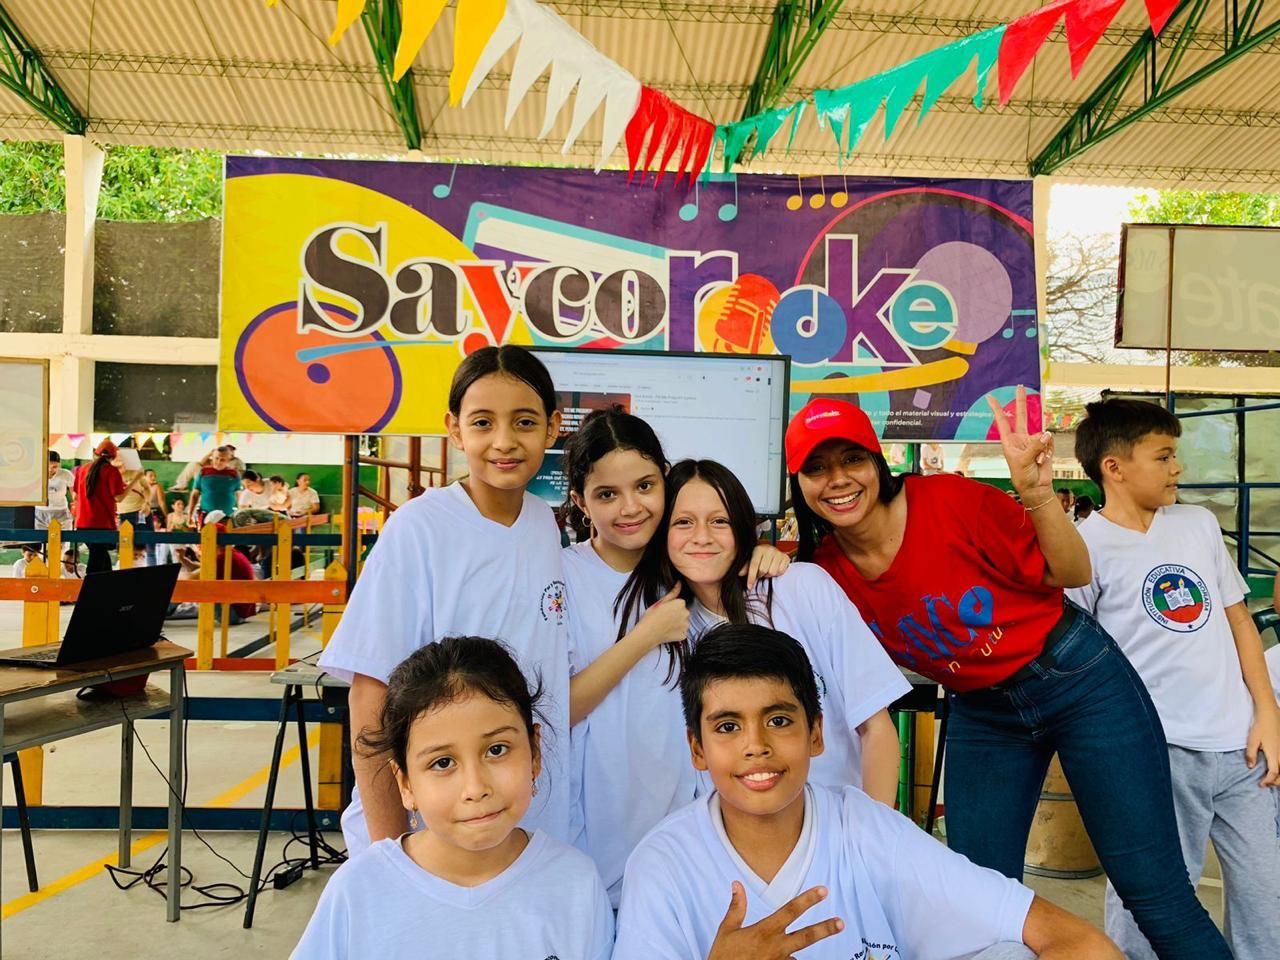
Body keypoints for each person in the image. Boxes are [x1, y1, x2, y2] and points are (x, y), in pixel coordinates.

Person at [785, 391, 1231, 960]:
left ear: (878, 462)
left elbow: (1073, 571)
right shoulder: (823, 573)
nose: (838, 480)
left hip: (1076, 679)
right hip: (984, 712)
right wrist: (761, 557)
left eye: (852, 459)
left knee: (1155, 895)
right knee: (978, 905)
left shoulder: (949, 500)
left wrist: (1038, 496)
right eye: (817, 468)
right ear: (799, 483)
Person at [614, 623, 1119, 960]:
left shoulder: (865, 829)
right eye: (727, 727)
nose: (756, 745)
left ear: (816, 734)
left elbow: (1079, 942)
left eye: (779, 720)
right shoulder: (664, 866)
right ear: (697, 749)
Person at [319, 345, 571, 858]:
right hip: (434, 824)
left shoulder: (545, 524)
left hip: (519, 816)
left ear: (552, 428)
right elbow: (370, 696)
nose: (504, 441)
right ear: (455, 430)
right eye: (482, 423)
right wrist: (390, 852)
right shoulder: (419, 528)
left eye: (524, 422)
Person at [1069, 398, 1280, 960]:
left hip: (1242, 747)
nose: (1177, 467)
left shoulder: (1198, 524)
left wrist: (1267, 714)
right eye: (1162, 456)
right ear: (1114, 467)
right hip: (1156, 752)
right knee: (1151, 898)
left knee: (1268, 897)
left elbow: (1239, 621)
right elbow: (1078, 665)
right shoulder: (1083, 548)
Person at [560, 407, 790, 907]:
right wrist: (644, 637)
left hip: (688, 825)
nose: (630, 508)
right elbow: (559, 708)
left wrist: (761, 552)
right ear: (580, 501)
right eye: (606, 494)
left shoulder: (684, 564)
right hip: (598, 824)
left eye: (645, 486)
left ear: (665, 480)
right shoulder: (562, 576)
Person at [294, 637, 612, 960]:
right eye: (443, 763)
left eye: (496, 750)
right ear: (405, 783)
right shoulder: (357, 893)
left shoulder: (575, 885)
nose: (475, 788)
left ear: (534, 752)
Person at [618, 458, 906, 806]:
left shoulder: (802, 589)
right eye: (683, 522)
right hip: (733, 832)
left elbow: (876, 727)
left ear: (742, 528)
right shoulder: (663, 628)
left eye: (720, 521)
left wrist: (873, 829)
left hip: (839, 822)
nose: (702, 537)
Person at [73, 439, 129, 574]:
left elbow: (75, 495)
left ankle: (105, 585)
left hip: (82, 523)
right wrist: (135, 480)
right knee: (97, 562)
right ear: (113, 457)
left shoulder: (82, 469)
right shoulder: (111, 471)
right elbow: (119, 497)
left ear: (95, 453)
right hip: (102, 524)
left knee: (101, 559)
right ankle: (91, 585)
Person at [189, 447, 240, 523]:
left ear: (228, 460)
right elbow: (195, 495)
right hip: (206, 516)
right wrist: (190, 515)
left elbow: (239, 495)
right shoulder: (204, 472)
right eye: (216, 458)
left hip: (228, 516)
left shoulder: (234, 474)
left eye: (222, 460)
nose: (218, 462)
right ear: (212, 458)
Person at [36, 451, 75, 532]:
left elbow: (74, 494)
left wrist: (75, 508)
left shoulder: (66, 474)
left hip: (61, 513)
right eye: (48, 466)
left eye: (54, 466)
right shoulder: (37, 474)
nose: (50, 469)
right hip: (40, 513)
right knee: (41, 539)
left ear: (59, 465)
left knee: (65, 538)